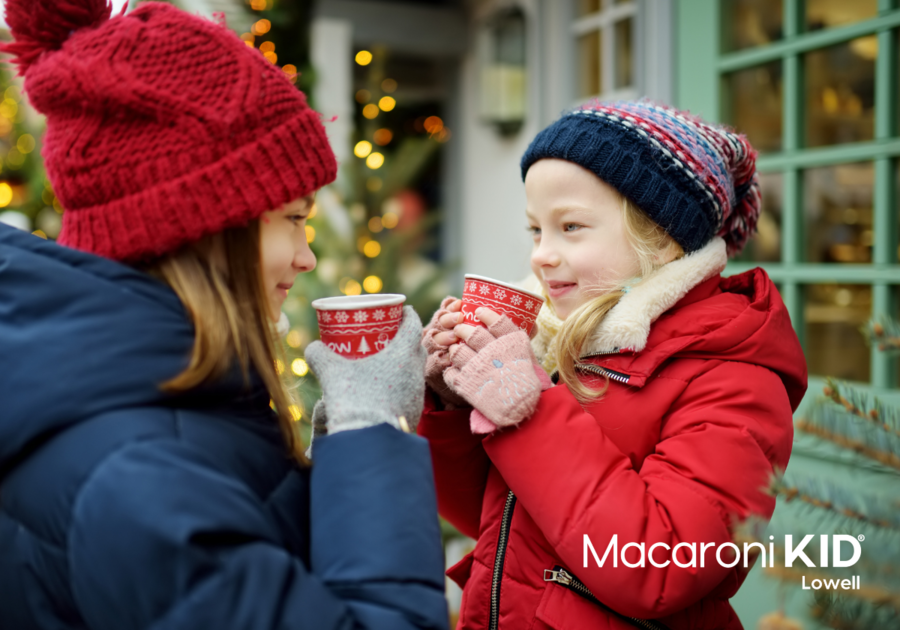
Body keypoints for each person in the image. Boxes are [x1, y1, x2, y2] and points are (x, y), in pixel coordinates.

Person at [0, 2, 448, 629]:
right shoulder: (137, 481)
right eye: (294, 218)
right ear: (204, 226)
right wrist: (373, 432)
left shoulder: (169, 406)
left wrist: (342, 450)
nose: (306, 255)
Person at [419, 101, 807, 629]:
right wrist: (454, 405)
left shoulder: (733, 377)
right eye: (536, 230)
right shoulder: (568, 343)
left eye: (571, 226)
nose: (541, 254)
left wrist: (525, 410)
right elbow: (502, 517)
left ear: (661, 237)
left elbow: (661, 568)